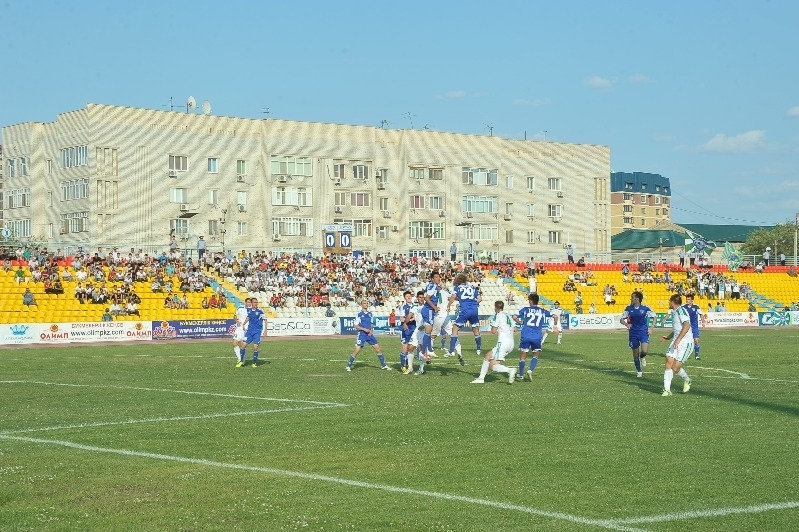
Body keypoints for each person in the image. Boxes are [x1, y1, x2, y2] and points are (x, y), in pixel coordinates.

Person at [471, 301, 516, 384]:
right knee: (490, 361)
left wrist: (493, 326)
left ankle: (509, 370)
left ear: (495, 307)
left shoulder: (497, 315)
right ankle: (481, 378)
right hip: (511, 343)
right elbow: (515, 329)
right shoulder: (508, 315)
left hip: (503, 343)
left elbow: (493, 331)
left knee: (489, 361)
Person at [514, 292, 554, 382]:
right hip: (537, 336)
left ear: (531, 301)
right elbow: (554, 316)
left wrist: (520, 322)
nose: (529, 301)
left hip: (526, 335)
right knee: (535, 355)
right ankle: (530, 370)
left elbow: (514, 316)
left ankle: (521, 375)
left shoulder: (525, 309)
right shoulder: (542, 311)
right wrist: (554, 324)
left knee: (523, 355)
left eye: (529, 300)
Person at [659, 294, 694, 396]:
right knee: (668, 362)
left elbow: (687, 325)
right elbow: (677, 330)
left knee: (675, 368)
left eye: (669, 301)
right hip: (675, 341)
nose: (669, 303)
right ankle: (667, 390)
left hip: (686, 343)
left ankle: (687, 380)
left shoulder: (681, 311)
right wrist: (668, 337)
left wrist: (678, 340)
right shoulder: (674, 312)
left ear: (672, 301)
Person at [346, 299, 391, 372]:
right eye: (364, 303)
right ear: (361, 305)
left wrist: (371, 330)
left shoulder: (370, 314)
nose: (366, 304)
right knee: (357, 350)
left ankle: (383, 365)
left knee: (378, 349)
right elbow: (355, 325)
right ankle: (348, 366)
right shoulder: (359, 314)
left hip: (369, 334)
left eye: (367, 303)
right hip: (362, 334)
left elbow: (371, 323)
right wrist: (364, 329)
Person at [620, 290, 655, 377]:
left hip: (643, 332)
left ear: (637, 299)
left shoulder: (646, 308)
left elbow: (654, 317)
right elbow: (621, 319)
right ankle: (639, 370)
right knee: (635, 354)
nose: (631, 299)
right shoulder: (628, 308)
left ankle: (642, 357)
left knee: (644, 351)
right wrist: (626, 324)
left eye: (632, 297)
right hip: (633, 333)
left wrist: (651, 328)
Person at [448, 273, 481, 364]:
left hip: (465, 310)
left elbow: (453, 296)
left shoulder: (457, 288)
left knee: (455, 329)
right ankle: (478, 348)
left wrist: (448, 305)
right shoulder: (472, 287)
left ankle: (451, 351)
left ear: (458, 281)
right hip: (474, 309)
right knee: (475, 329)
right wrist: (473, 303)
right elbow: (480, 298)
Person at [238, 297, 265, 367]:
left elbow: (265, 319)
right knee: (243, 346)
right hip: (249, 331)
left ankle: (254, 363)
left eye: (257, 302)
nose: (256, 303)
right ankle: (241, 361)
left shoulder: (260, 311)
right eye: (254, 302)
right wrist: (244, 324)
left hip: (257, 331)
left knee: (255, 347)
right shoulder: (249, 310)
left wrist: (265, 330)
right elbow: (248, 317)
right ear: (252, 303)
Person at [683, 294, 703, 360]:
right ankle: (684, 354)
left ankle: (696, 355)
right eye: (686, 299)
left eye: (688, 299)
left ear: (692, 300)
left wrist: (703, 320)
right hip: (686, 327)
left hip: (694, 327)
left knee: (696, 341)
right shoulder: (683, 307)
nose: (687, 300)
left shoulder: (696, 307)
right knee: (685, 341)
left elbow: (701, 314)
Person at [232, 297, 250, 363]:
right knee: (234, 343)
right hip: (239, 328)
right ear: (245, 302)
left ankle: (242, 360)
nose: (249, 304)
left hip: (246, 328)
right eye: (248, 302)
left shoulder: (251, 310)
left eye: (250, 302)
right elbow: (234, 316)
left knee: (242, 345)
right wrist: (237, 321)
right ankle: (240, 358)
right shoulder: (240, 308)